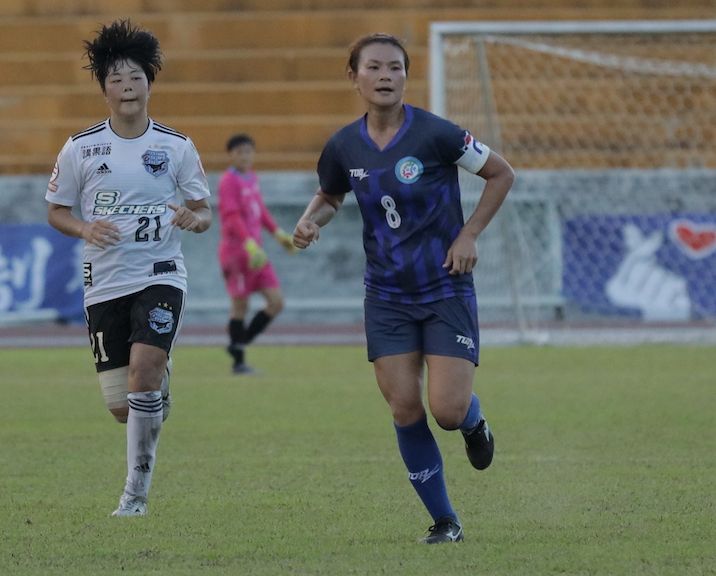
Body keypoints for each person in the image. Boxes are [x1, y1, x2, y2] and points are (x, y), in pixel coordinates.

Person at [292, 33, 515, 545]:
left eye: (395, 67)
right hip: (387, 296)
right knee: (404, 409)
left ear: (406, 77)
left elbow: (501, 173)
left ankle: (474, 424)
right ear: (355, 77)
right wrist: (311, 221)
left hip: (444, 287)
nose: (386, 75)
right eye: (374, 67)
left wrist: (468, 234)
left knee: (447, 411)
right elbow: (330, 194)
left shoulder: (437, 134)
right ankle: (446, 521)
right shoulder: (344, 145)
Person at [46, 19, 211, 518]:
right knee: (124, 407)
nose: (127, 86)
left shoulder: (176, 147)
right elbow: (56, 211)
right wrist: (85, 229)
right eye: (116, 78)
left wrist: (192, 217)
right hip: (104, 283)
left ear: (150, 83)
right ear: (104, 89)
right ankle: (158, 377)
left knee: (142, 371)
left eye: (136, 76)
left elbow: (204, 212)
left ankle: (134, 494)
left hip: (161, 272)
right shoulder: (80, 148)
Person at [217, 133, 296, 375]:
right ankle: (239, 362)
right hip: (237, 253)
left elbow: (259, 211)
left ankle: (238, 344)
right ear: (231, 155)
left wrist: (279, 234)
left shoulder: (252, 178)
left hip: (257, 253)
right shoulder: (228, 181)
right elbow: (231, 216)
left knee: (276, 301)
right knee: (240, 305)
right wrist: (249, 244)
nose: (244, 156)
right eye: (239, 152)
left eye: (248, 151)